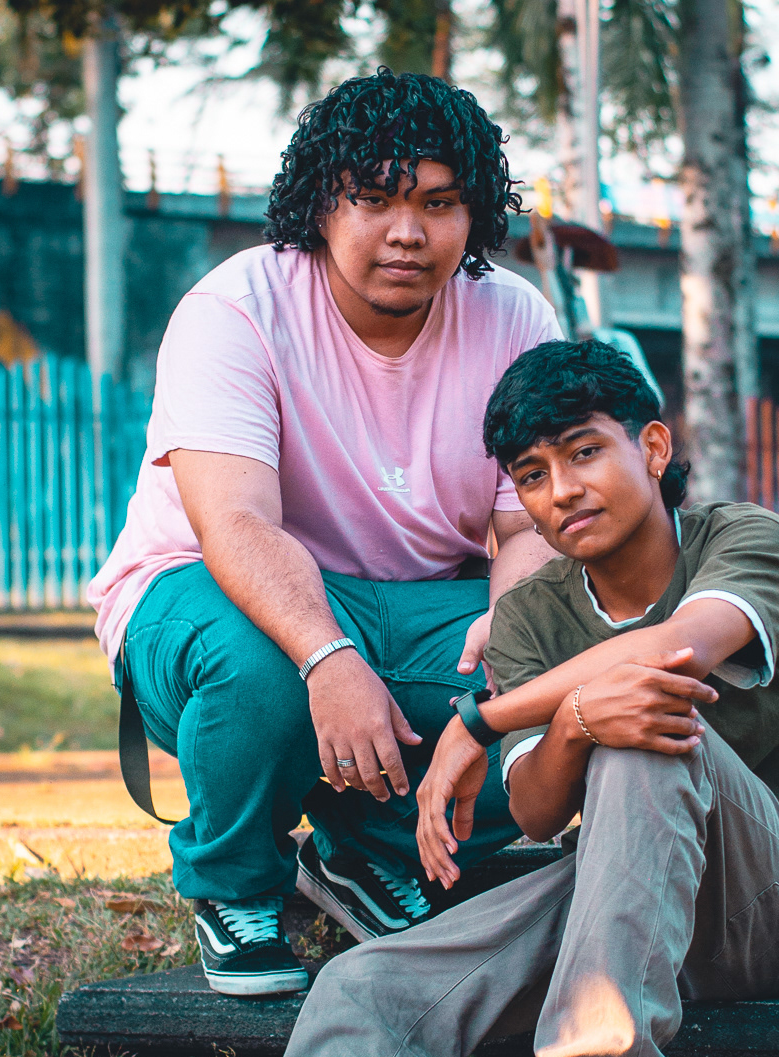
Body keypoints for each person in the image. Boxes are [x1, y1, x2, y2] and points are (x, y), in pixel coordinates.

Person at [63, 340, 779, 1057]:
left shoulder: (741, 538)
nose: (561, 491)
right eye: (531, 475)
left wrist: (478, 721)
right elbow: (535, 810)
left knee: (643, 726)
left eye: (585, 453)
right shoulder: (532, 613)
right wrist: (562, 724)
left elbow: (674, 653)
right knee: (371, 979)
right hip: (631, 891)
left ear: (654, 448)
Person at [87, 69, 561, 996]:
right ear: (320, 203)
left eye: (439, 203)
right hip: (217, 595)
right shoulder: (236, 309)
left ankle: (372, 852)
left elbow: (529, 529)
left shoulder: (515, 318)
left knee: (562, 674)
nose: (407, 232)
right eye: (374, 199)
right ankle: (234, 885)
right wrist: (328, 657)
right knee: (262, 669)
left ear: (474, 214)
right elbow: (234, 523)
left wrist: (518, 634)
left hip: (420, 607)